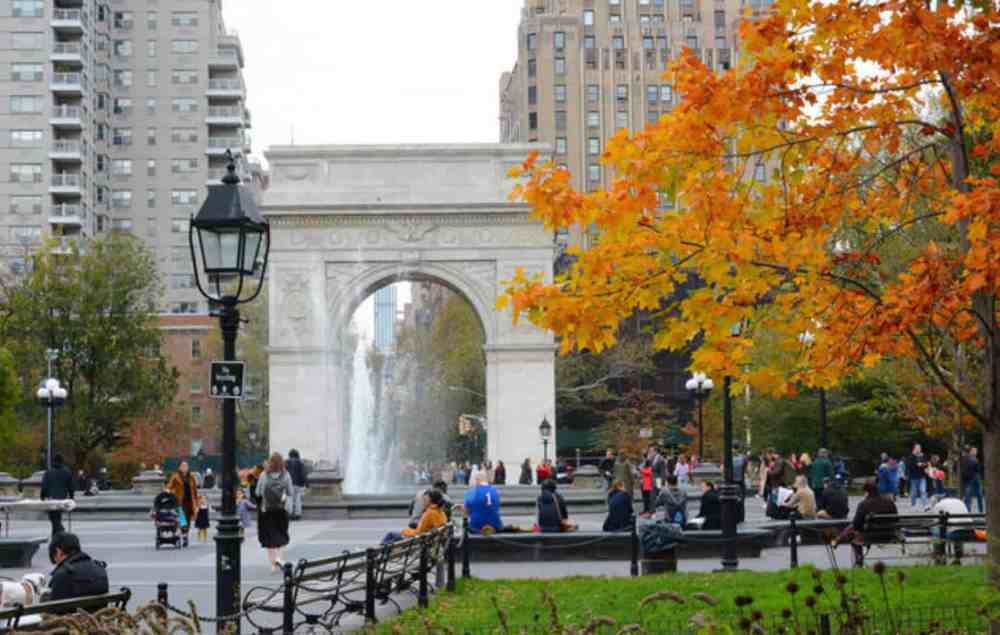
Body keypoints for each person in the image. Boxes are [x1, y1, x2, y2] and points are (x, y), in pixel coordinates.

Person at [834, 480, 897, 567]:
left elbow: (856, 525)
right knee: (853, 529)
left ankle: (858, 559)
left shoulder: (863, 504)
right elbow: (896, 519)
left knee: (853, 534)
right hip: (889, 535)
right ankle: (837, 540)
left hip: (869, 536)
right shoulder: (890, 502)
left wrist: (858, 529)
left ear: (867, 492)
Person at [45, 532, 109, 608]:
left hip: (71, 619)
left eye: (54, 558)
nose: (57, 564)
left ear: (58, 551)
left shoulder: (63, 575)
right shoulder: (99, 568)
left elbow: (53, 610)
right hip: (100, 618)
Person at [255, 452, 293, 572]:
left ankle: (273, 564)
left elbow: (258, 492)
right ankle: (279, 559)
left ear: (270, 462)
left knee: (269, 538)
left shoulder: (264, 474)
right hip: (281, 510)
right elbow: (290, 492)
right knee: (281, 535)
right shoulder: (286, 475)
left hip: (267, 510)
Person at [930, 495, 976, 562]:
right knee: (957, 528)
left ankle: (938, 555)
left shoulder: (938, 505)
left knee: (935, 530)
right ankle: (958, 554)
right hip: (970, 531)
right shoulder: (959, 501)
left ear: (937, 501)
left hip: (955, 534)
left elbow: (936, 522)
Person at [41, 454, 74, 536]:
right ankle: (56, 534)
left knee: (53, 517)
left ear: (54, 461)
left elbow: (44, 486)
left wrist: (42, 497)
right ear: (62, 461)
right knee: (57, 517)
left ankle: (60, 530)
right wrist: (71, 498)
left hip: (51, 499)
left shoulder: (48, 472)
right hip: (62, 498)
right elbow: (71, 487)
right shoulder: (67, 472)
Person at [167, 462, 199, 547]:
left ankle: (185, 536)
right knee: (182, 519)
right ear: (179, 467)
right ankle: (184, 535)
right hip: (180, 501)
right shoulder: (175, 476)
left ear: (188, 468)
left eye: (186, 466)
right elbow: (169, 486)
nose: (184, 468)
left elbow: (195, 490)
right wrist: (169, 491)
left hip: (190, 501)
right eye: (183, 466)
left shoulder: (191, 477)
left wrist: (196, 502)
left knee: (188, 520)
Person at [286, 449, 307, 521]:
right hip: (298, 484)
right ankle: (297, 514)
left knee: (289, 499)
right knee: (298, 499)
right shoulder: (300, 462)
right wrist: (304, 483)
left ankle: (289, 513)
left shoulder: (286, 462)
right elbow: (303, 474)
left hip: (288, 483)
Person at [907, 443, 929, 511]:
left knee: (923, 491)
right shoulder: (911, 456)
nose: (919, 449)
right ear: (914, 448)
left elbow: (926, 464)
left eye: (919, 448)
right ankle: (913, 506)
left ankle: (926, 505)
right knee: (914, 492)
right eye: (917, 448)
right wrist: (917, 465)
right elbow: (909, 466)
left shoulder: (923, 456)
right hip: (914, 477)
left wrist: (922, 464)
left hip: (922, 476)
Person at [961, 447, 983, 513]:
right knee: (977, 495)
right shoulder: (973, 459)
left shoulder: (966, 458)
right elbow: (977, 469)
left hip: (969, 479)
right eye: (974, 451)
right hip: (973, 478)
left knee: (969, 495)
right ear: (970, 451)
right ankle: (980, 511)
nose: (975, 452)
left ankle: (969, 511)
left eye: (976, 451)